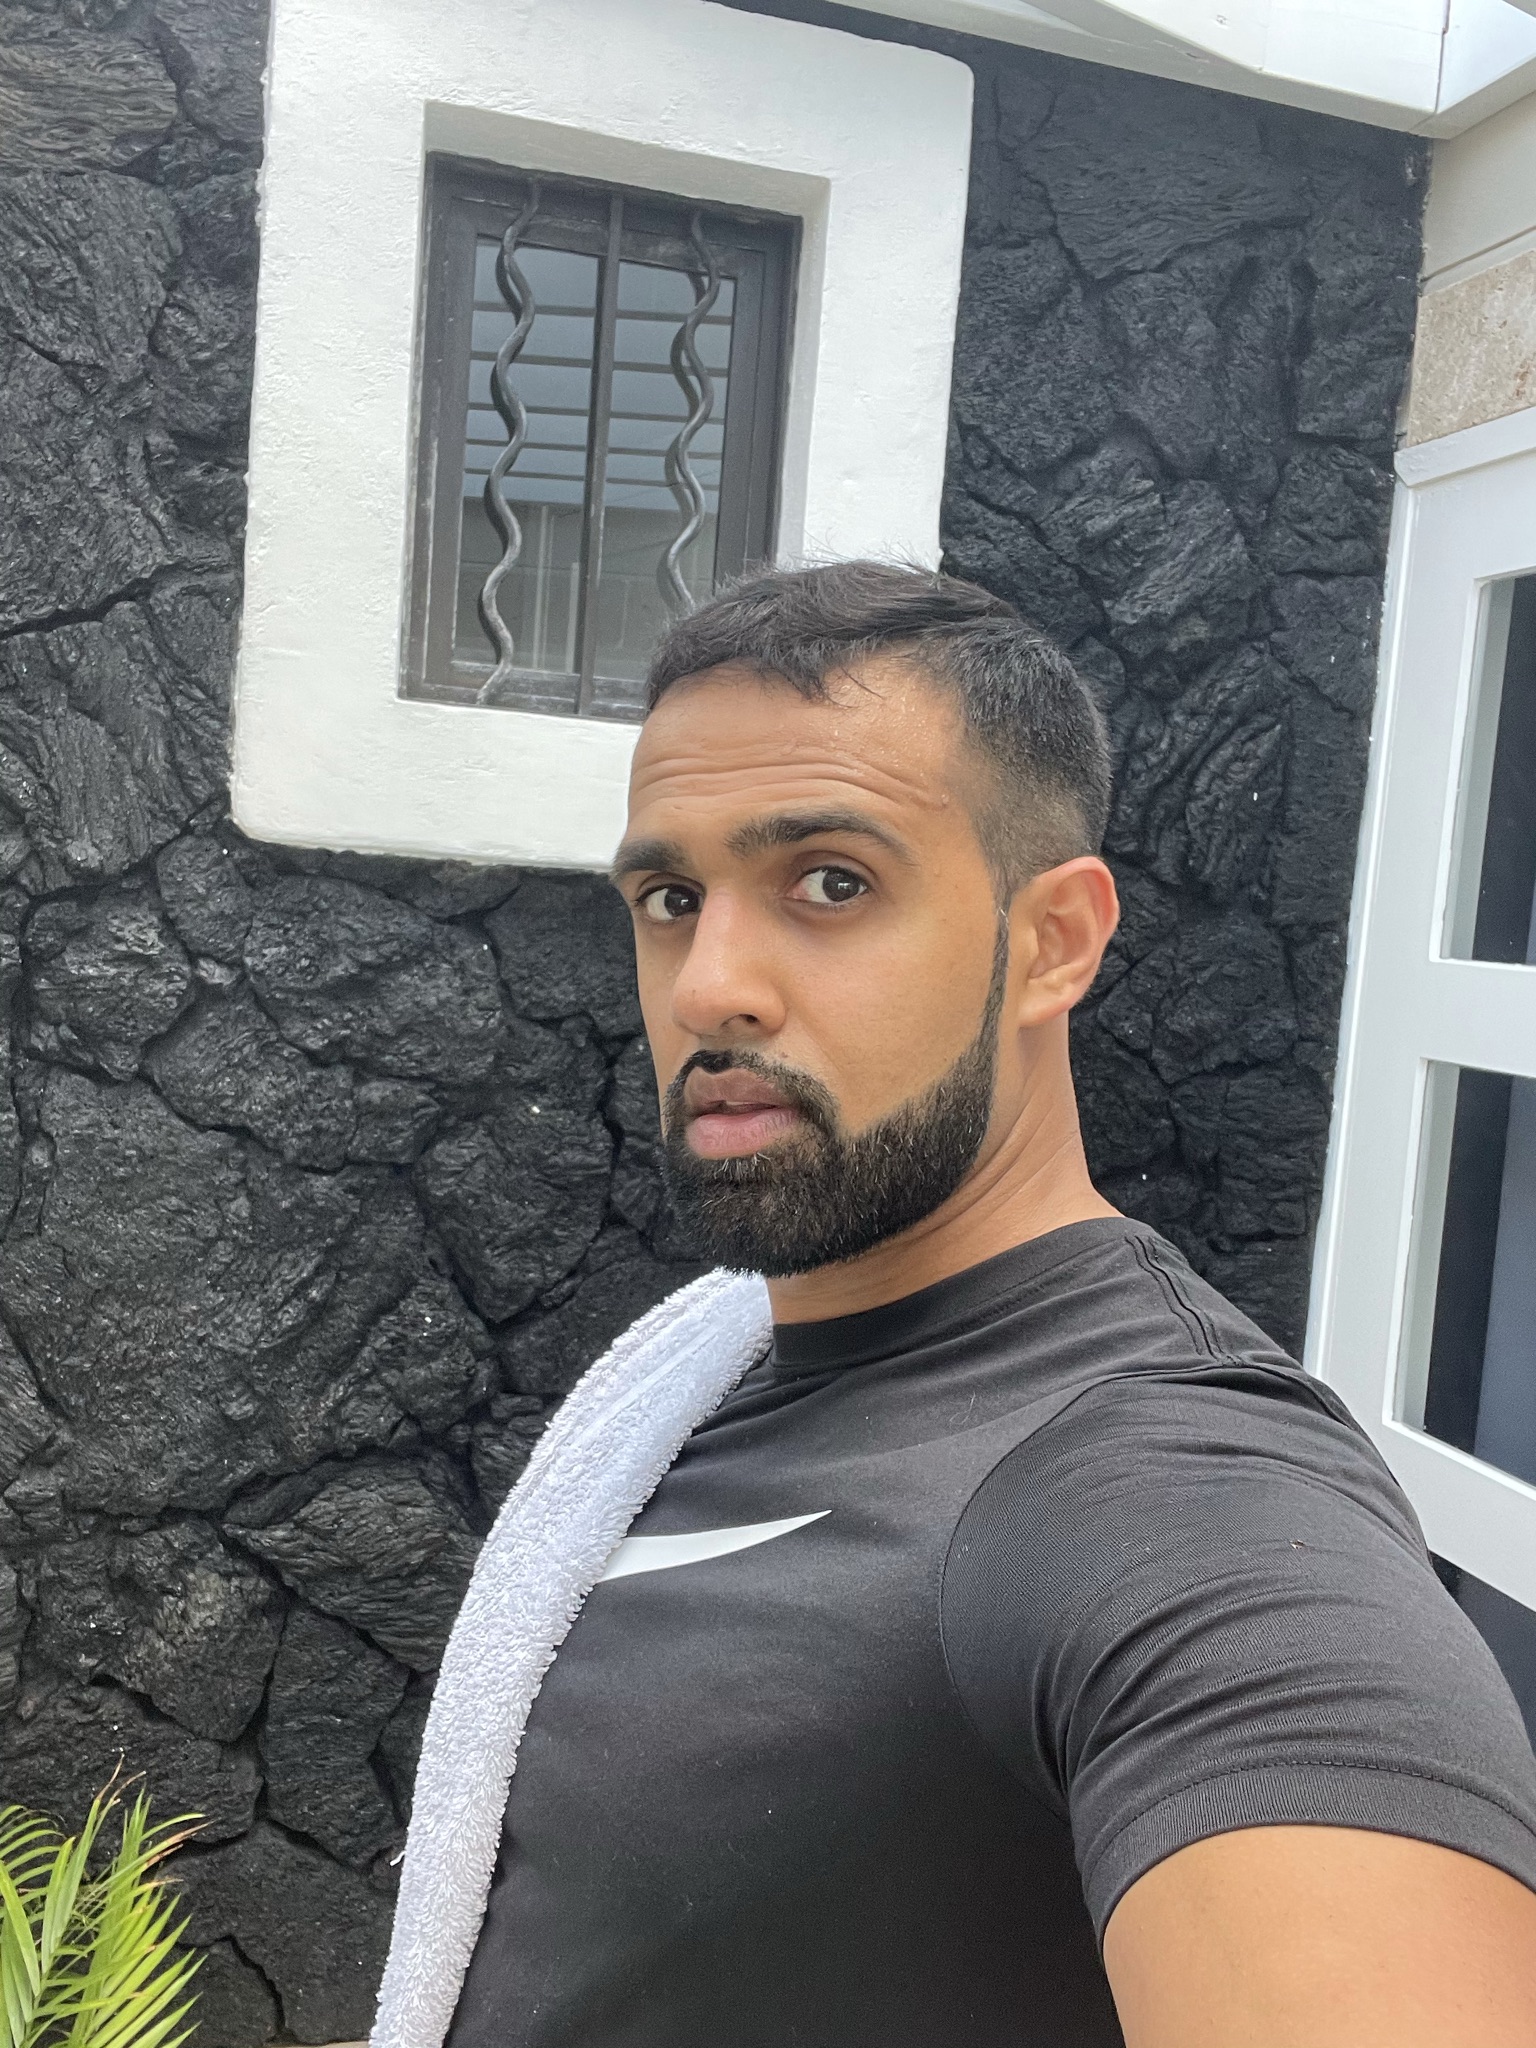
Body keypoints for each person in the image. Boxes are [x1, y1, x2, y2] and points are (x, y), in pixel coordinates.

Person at [448, 562, 1536, 2047]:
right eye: (671, 899)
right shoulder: (720, 1369)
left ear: (1054, 942)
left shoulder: (1161, 1483)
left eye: (831, 882)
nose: (709, 986)